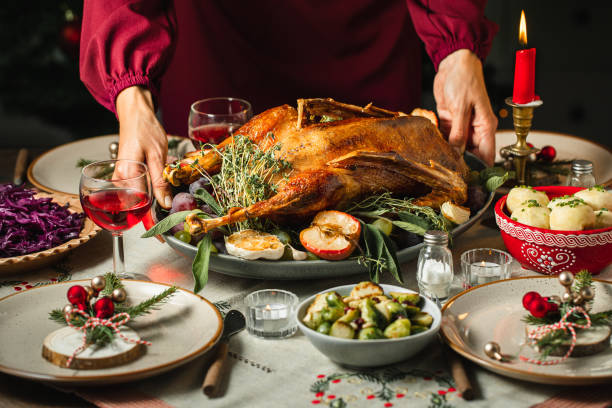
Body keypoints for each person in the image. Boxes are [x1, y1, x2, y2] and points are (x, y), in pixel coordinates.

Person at [80, 1, 498, 209]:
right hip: (220, 47)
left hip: (366, 49)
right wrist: (130, 91)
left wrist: (458, 50)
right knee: (214, 202)